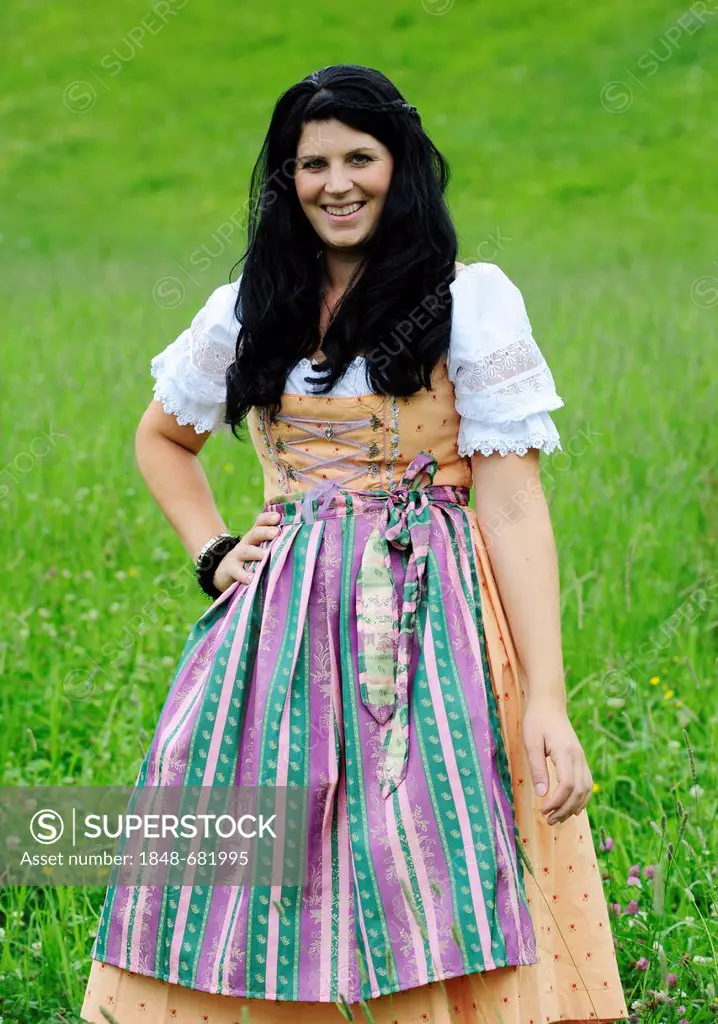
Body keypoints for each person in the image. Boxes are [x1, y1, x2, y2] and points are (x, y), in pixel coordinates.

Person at [81, 64, 628, 1024]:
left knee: (435, 841)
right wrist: (213, 551)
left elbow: (511, 505)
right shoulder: (250, 305)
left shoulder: (470, 300)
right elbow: (162, 438)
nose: (337, 183)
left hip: (435, 621)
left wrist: (547, 697)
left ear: (400, 164)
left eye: (359, 159)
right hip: (277, 634)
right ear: (286, 179)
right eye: (312, 163)